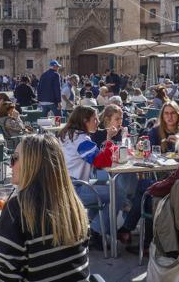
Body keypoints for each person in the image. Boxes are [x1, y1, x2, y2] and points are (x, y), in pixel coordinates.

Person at [0, 135, 90, 282]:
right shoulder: (74, 204)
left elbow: (6, 277)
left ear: (31, 165)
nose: (10, 165)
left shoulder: (16, 209)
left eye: (15, 158)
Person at [58, 106, 123, 250]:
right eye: (95, 119)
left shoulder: (66, 134)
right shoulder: (81, 140)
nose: (98, 122)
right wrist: (109, 139)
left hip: (63, 186)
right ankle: (95, 231)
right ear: (84, 121)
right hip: (75, 188)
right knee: (117, 193)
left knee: (105, 188)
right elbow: (103, 162)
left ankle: (94, 229)